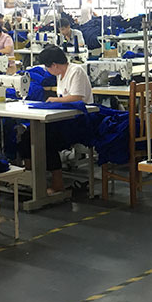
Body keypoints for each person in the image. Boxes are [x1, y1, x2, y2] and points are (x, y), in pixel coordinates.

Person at [34, 46, 93, 194]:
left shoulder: (76, 71)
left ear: (54, 65)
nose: (47, 70)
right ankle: (32, 181)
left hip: (80, 121)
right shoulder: (60, 75)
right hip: (66, 119)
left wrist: (54, 100)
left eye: (47, 67)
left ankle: (57, 184)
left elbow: (76, 97)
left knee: (46, 140)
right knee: (30, 135)